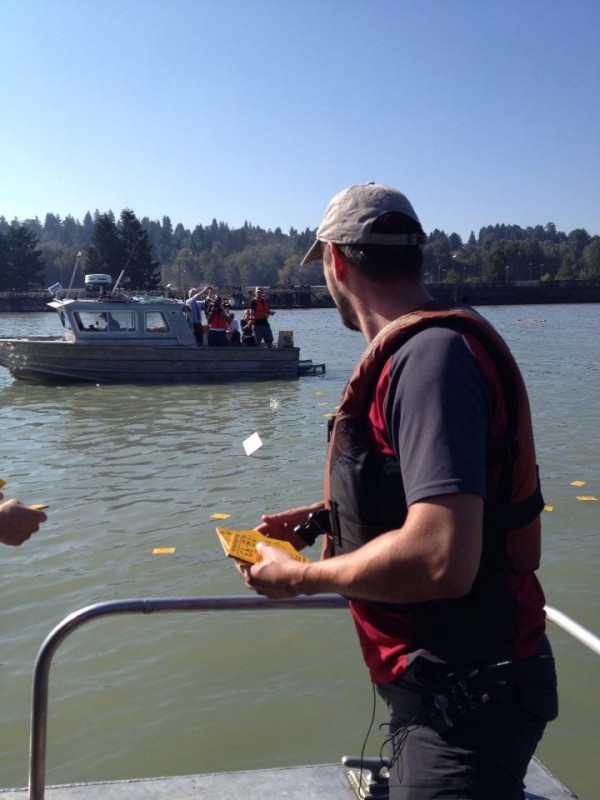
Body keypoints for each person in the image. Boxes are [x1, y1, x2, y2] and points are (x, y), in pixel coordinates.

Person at [236, 183, 558, 800]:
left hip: (468, 698)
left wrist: (298, 579)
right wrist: (328, 518)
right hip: (446, 688)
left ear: (335, 262)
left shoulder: (430, 361)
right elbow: (437, 500)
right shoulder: (433, 353)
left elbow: (442, 557)